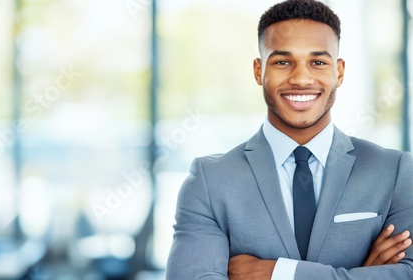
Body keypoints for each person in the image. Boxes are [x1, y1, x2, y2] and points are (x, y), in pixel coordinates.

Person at [165, 0, 413, 279]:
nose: (301, 78)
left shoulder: (396, 171)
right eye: (283, 62)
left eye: (317, 62)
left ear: (339, 72)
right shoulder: (210, 181)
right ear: (259, 71)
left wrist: (280, 272)